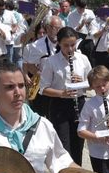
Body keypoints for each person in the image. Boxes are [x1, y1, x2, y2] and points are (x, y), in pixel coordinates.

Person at [39, 26, 92, 163]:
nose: (70, 49)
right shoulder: (52, 61)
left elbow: (92, 84)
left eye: (73, 45)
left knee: (78, 146)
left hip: (79, 104)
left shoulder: (83, 59)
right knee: (64, 147)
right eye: (66, 45)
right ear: (59, 44)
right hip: (59, 106)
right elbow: (43, 88)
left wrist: (83, 82)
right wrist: (62, 93)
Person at [78, 65, 109, 173]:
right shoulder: (89, 105)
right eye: (98, 87)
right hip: (98, 152)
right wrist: (99, 138)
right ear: (92, 87)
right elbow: (81, 131)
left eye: (104, 85)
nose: (102, 89)